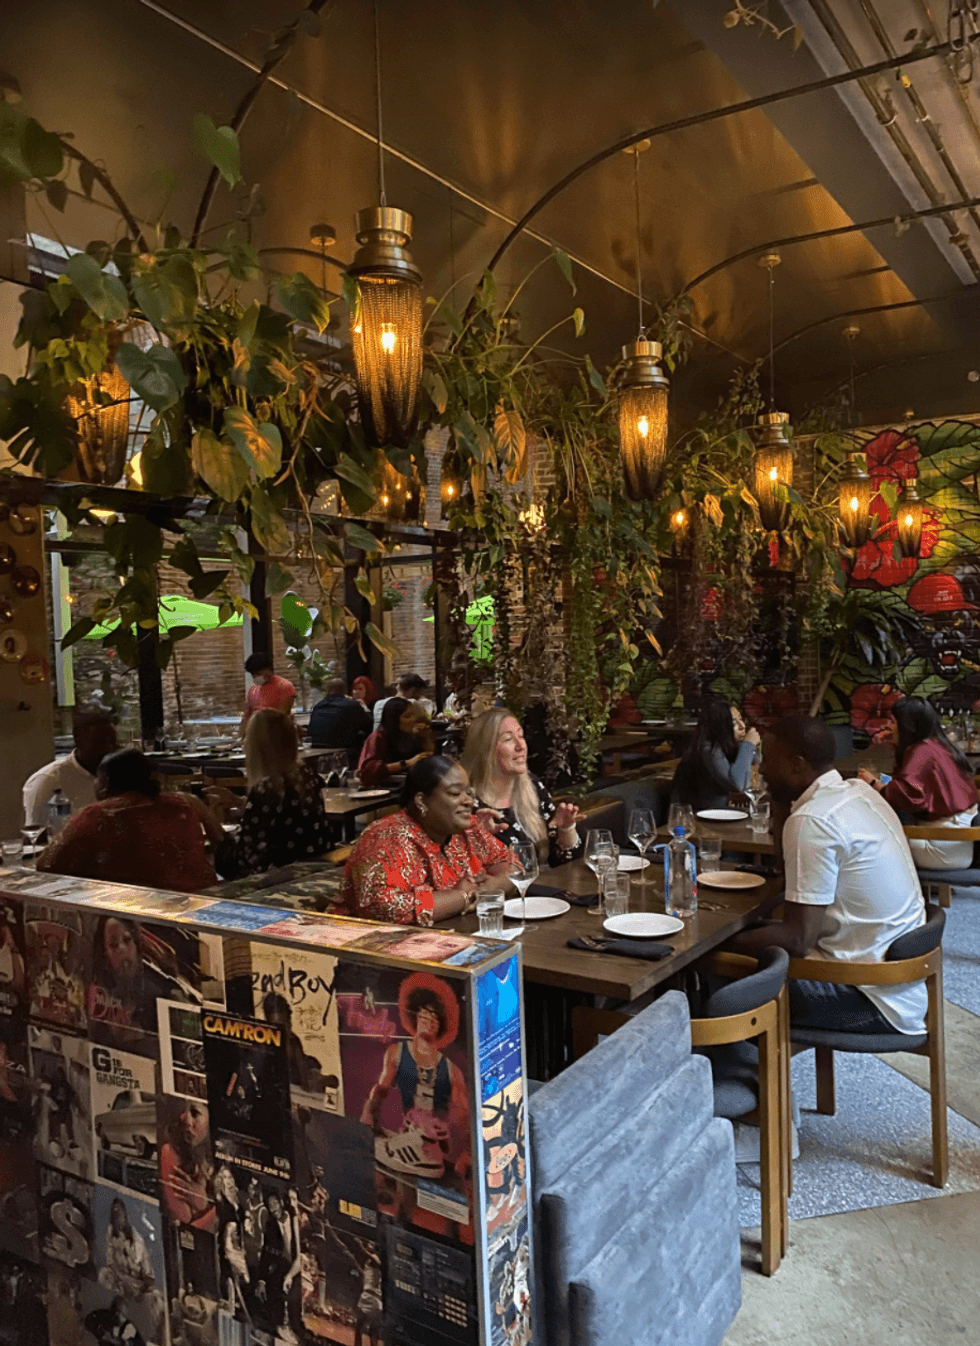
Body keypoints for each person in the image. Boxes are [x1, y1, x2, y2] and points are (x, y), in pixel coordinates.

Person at [732, 712, 927, 1036]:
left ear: (796, 764)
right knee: (748, 949)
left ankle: (742, 1065)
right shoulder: (858, 791)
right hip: (902, 985)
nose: (761, 769)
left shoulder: (813, 819)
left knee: (720, 973)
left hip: (868, 998)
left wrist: (719, 945)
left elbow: (798, 940)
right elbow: (790, 879)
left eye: (768, 759)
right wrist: (783, 804)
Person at [335, 756, 513, 925]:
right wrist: (462, 897)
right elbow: (384, 909)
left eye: (468, 793)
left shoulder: (469, 829)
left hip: (452, 932)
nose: (469, 801)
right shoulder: (386, 839)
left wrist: (493, 886)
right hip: (365, 940)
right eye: (455, 793)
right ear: (421, 801)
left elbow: (510, 865)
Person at [35, 748, 217, 892]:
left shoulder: (96, 814)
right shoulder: (183, 802)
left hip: (140, 910)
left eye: (98, 779)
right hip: (201, 898)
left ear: (105, 782)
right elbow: (219, 840)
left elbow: (47, 866)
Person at [858, 696, 979, 871]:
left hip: (942, 847)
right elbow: (916, 787)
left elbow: (907, 797)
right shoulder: (937, 745)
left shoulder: (921, 751)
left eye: (893, 721)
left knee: (872, 839)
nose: (889, 726)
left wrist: (872, 782)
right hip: (961, 842)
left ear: (907, 725)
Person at [213, 709, 332, 876]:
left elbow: (244, 855)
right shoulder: (306, 774)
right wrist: (239, 802)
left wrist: (205, 816)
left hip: (280, 875)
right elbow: (284, 814)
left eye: (246, 737)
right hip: (314, 863)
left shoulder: (267, 788)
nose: (243, 742)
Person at [462, 709, 584, 865]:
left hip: (542, 881)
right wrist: (478, 839)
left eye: (521, 736)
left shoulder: (533, 787)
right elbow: (459, 870)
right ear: (485, 750)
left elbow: (561, 862)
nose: (520, 746)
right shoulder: (465, 802)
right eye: (508, 739)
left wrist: (566, 829)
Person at [22, 710, 118, 827]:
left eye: (113, 742)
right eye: (100, 743)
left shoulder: (117, 774)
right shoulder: (47, 780)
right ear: (79, 742)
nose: (109, 748)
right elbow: (36, 833)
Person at [670, 696, 760, 811]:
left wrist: (749, 749)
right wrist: (748, 745)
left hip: (718, 812)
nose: (742, 726)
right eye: (733, 722)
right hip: (695, 816)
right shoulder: (709, 748)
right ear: (719, 726)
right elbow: (737, 784)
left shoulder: (730, 746)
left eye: (740, 719)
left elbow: (749, 779)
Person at [160, 1099, 216, 1232]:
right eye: (184, 1111)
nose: (186, 1120)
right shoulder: (170, 1151)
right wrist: (206, 1207)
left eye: (195, 1113)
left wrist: (204, 1204)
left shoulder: (217, 1156)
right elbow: (183, 1217)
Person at [357, 697, 433, 789]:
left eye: (413, 714)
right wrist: (406, 763)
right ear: (394, 720)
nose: (414, 719)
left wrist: (425, 737)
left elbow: (430, 759)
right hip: (383, 788)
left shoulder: (410, 735)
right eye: (407, 716)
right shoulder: (378, 737)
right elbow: (368, 772)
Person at [308, 678, 372, 761]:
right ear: (344, 690)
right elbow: (369, 726)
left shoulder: (318, 707)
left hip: (317, 754)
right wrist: (365, 708)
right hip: (343, 754)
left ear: (327, 691)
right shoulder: (352, 705)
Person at [241, 653, 295, 734]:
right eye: (253, 675)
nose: (256, 677)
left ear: (269, 669)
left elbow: (282, 717)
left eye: (258, 673)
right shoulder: (253, 688)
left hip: (276, 734)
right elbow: (247, 715)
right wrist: (243, 736)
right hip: (255, 734)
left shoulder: (285, 686)